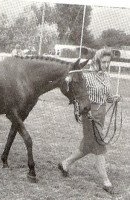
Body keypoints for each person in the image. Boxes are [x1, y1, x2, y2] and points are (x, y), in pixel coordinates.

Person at [58, 48, 122, 194]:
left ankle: (65, 163)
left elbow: (108, 97)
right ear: (97, 61)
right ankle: (106, 182)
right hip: (89, 114)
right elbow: (74, 87)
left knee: (87, 146)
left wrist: (115, 98)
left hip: (101, 113)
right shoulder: (86, 76)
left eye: (108, 62)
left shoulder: (106, 76)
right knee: (99, 145)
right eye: (103, 62)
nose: (106, 65)